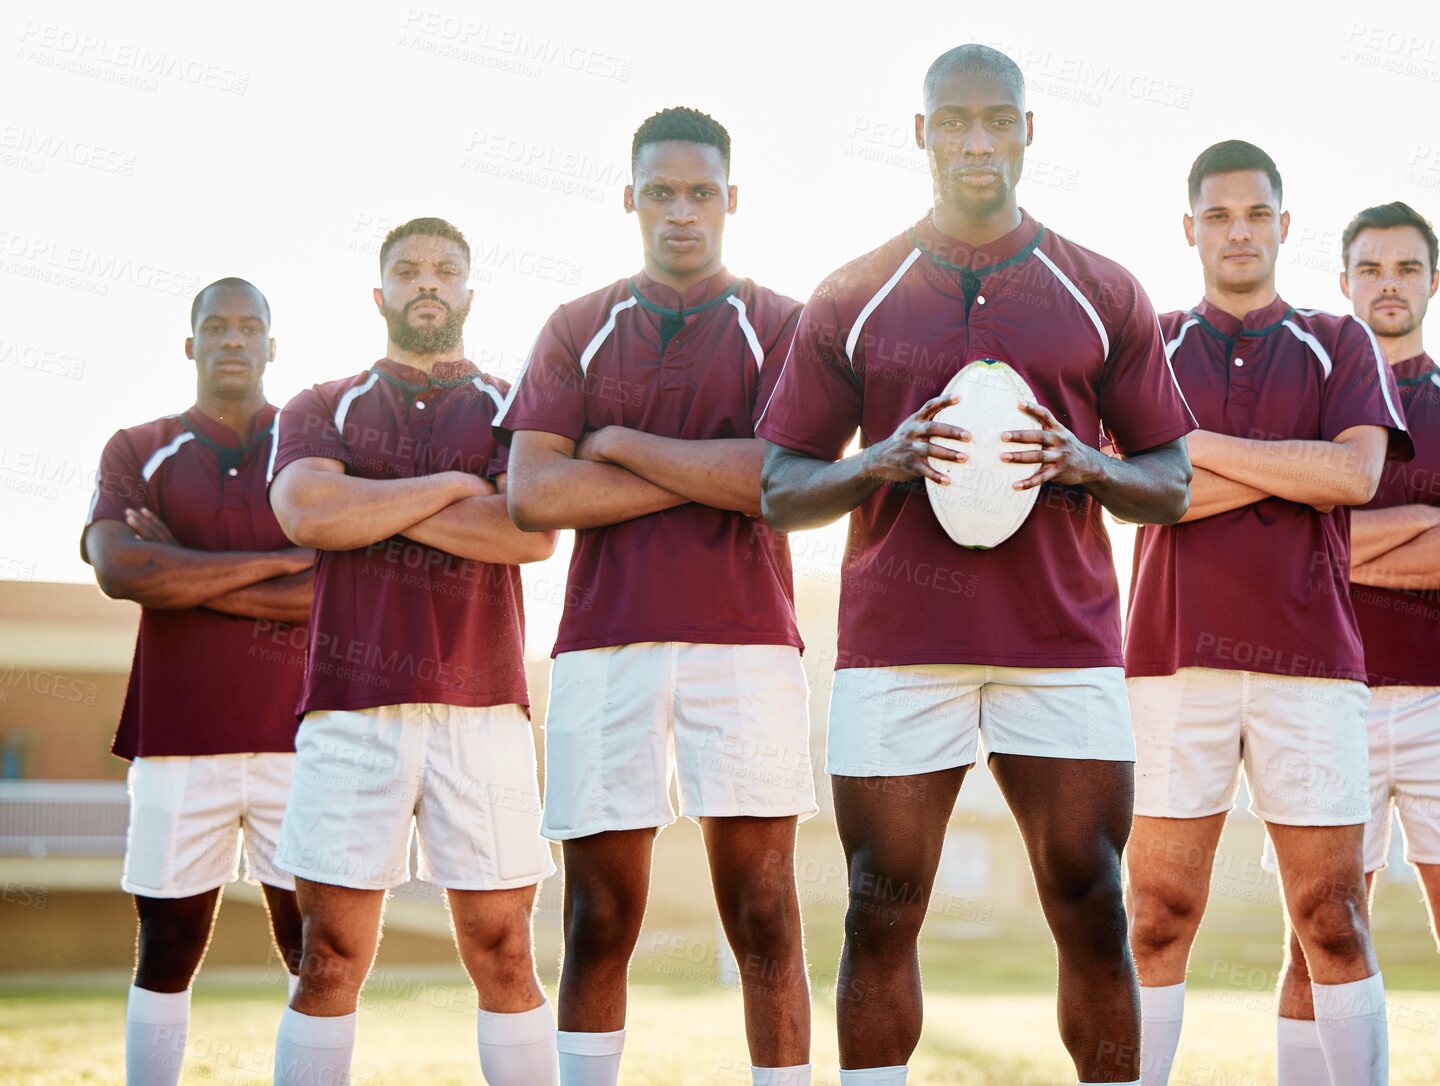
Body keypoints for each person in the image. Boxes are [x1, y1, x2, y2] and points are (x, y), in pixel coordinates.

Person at [757, 44, 1194, 1086]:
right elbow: (781, 487)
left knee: (1090, 899)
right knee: (880, 902)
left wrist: (1083, 462)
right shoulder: (855, 291)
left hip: (1062, 641)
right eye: (954, 122)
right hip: (900, 646)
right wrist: (882, 461)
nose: (977, 142)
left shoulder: (1101, 289)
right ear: (921, 135)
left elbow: (1170, 483)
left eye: (999, 120)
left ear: (1030, 132)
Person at [498, 106, 815, 1086]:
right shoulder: (577, 327)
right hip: (605, 644)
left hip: (749, 644)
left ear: (734, 200)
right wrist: (715, 472)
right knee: (599, 918)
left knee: (764, 908)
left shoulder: (783, 324)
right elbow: (534, 494)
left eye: (703, 192)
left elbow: (788, 482)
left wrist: (624, 445)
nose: (684, 212)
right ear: (630, 198)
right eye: (664, 192)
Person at [1122, 142, 1412, 1086]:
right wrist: (1289, 473)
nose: (1238, 231)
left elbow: (1356, 473)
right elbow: (1133, 494)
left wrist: (1199, 448)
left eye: (1256, 215)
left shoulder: (1341, 339)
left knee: (1331, 914)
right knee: (1158, 911)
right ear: (1191, 227)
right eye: (1219, 215)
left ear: (1285, 226)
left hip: (1313, 665)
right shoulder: (1150, 342)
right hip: (1170, 660)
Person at [266, 217, 560, 1085]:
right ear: (380, 292)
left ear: (469, 292)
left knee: (504, 951)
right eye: (407, 271)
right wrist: (454, 490)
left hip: (485, 708)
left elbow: (528, 534)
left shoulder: (516, 405)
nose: (425, 282)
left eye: (444, 270)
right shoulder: (321, 404)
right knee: (329, 956)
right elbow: (309, 515)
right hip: (351, 711)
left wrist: (371, 499)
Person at [1262, 201, 1440, 1085]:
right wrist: (1426, 520)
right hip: (1318, 697)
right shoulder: (1300, 407)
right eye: (1371, 268)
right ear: (1344, 281)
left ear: (1433, 279)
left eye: (1407, 268)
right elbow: (1272, 553)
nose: (1389, 284)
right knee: (1319, 932)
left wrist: (1340, 542)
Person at [82, 277, 311, 1086]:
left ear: (272, 345)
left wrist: (181, 569)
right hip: (178, 740)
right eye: (217, 327)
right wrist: (280, 564)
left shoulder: (311, 443)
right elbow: (118, 566)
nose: (234, 340)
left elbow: (331, 591)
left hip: (302, 737)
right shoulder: (137, 447)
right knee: (168, 946)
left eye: (251, 327)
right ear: (191, 344)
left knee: (314, 950)